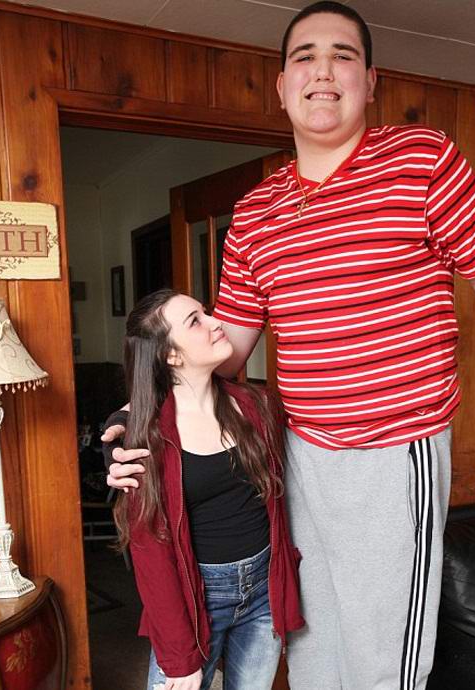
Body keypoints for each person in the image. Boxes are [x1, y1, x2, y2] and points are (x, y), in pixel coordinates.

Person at [104, 3, 475, 688]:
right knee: (308, 650)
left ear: (370, 80)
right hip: (297, 456)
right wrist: (142, 417)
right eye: (305, 56)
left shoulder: (423, 159)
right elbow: (224, 350)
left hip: (396, 452)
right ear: (283, 86)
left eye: (343, 56)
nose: (323, 71)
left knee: (381, 664)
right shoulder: (255, 212)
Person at [112, 288, 303, 690]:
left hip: (264, 589)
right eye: (196, 321)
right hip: (197, 594)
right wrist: (180, 658)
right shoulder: (144, 439)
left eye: (207, 312)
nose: (217, 323)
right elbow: (152, 558)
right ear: (170, 355)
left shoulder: (256, 405)